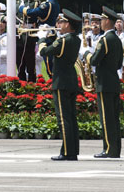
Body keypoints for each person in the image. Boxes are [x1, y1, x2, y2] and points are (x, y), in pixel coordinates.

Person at [39, 9, 82, 161]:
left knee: (63, 119)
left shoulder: (64, 40)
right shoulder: (75, 39)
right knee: (71, 118)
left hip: (61, 82)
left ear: (69, 25)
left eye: (62, 22)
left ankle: (67, 152)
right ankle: (72, 150)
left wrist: (41, 39)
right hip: (70, 80)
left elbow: (45, 51)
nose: (59, 24)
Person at [87, 6, 123, 158]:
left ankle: (109, 149)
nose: (100, 22)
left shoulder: (105, 39)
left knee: (106, 118)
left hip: (104, 82)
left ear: (107, 21)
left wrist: (87, 54)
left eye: (102, 19)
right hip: (113, 81)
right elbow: (119, 64)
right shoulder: (116, 39)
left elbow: (95, 60)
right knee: (114, 118)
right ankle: (115, 149)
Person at [15, 0, 37, 81]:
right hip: (17, 38)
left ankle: (32, 88)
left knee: (30, 67)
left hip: (29, 38)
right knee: (20, 67)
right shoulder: (14, 4)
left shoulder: (34, 4)